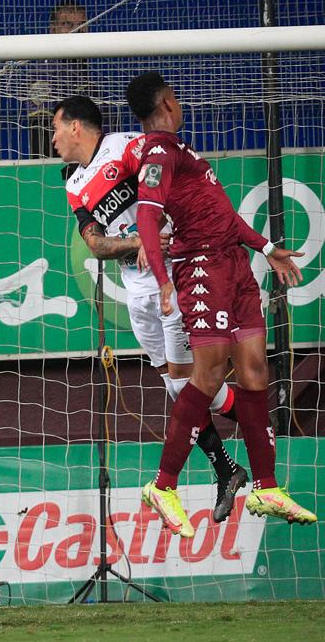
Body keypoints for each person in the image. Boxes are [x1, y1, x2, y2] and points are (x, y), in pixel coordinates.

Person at [124, 71, 316, 536]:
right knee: (207, 374)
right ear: (168, 102)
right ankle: (163, 485)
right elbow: (148, 215)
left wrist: (266, 248)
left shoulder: (184, 152)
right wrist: (161, 276)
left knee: (254, 371)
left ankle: (267, 486)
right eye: (177, 96)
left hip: (235, 264)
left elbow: (224, 216)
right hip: (202, 267)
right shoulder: (157, 153)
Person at [51, 95, 248, 522]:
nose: (52, 140)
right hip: (135, 291)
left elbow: (171, 185)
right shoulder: (72, 184)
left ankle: (233, 457)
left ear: (76, 128)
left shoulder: (126, 148)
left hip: (172, 275)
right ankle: (239, 448)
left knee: (185, 384)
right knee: (179, 388)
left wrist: (157, 236)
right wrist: (137, 242)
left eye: (55, 129)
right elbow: (96, 244)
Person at [28, 1, 91, 158]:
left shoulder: (92, 67)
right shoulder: (43, 69)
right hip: (53, 156)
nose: (77, 31)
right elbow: (42, 125)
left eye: (82, 24)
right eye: (67, 24)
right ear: (53, 29)